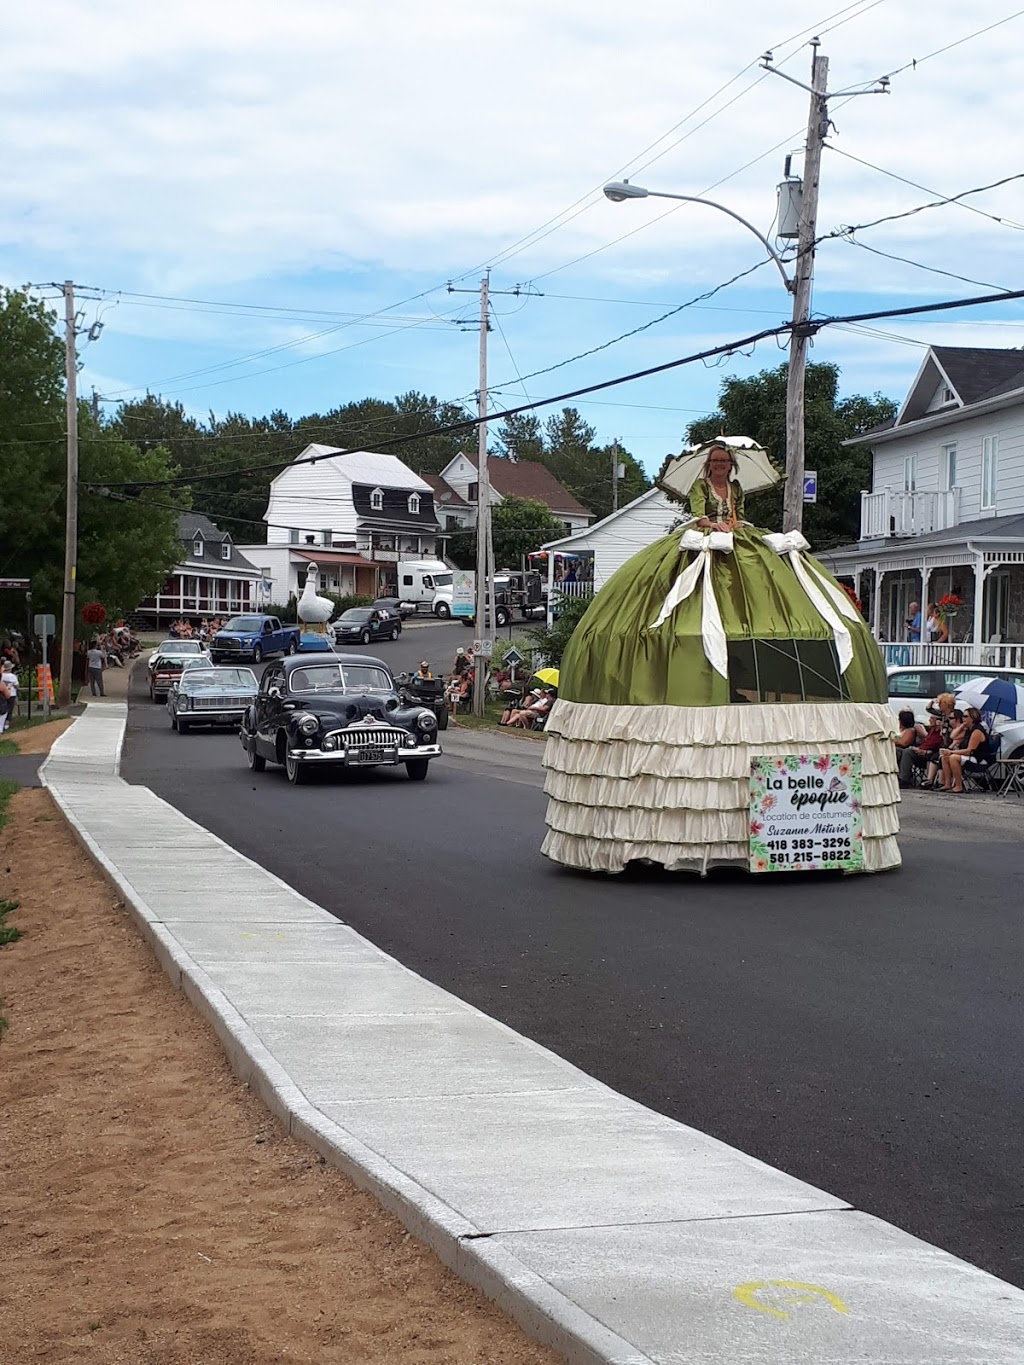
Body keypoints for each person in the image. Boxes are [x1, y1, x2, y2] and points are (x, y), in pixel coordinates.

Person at [939, 706, 991, 793]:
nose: (963, 718)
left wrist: (952, 751)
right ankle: (947, 784)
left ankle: (958, 786)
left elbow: (969, 751)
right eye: (963, 716)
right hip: (970, 756)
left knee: (953, 757)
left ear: (973, 718)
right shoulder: (968, 730)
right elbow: (953, 736)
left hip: (979, 759)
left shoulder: (977, 731)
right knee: (945, 757)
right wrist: (962, 726)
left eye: (966, 716)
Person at [894, 708, 925, 787]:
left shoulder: (910, 730)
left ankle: (903, 779)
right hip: (897, 748)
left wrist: (892, 741)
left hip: (902, 750)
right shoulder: (899, 729)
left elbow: (904, 743)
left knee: (893, 751)